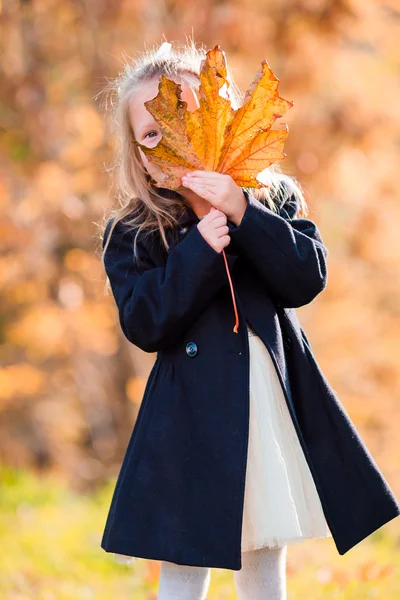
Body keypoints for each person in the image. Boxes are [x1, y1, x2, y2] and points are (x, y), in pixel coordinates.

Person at [98, 39, 399, 600]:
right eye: (154, 135)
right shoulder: (137, 231)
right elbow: (144, 323)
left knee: (263, 551)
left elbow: (305, 279)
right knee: (184, 560)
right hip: (190, 418)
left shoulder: (269, 199)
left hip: (266, 401)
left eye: (189, 120)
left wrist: (243, 212)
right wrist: (197, 252)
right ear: (140, 155)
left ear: (224, 121)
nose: (175, 142)